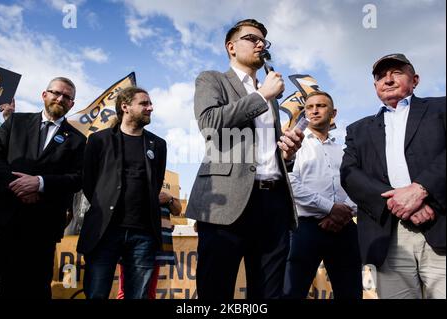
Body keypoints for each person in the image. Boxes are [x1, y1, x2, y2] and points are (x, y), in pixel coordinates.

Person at [186, 18, 304, 299]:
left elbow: (265, 151)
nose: (260, 43)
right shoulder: (212, 79)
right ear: (231, 47)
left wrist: (286, 155)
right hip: (226, 203)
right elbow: (211, 124)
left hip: (274, 203)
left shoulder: (272, 98)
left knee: (268, 294)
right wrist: (262, 95)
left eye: (264, 40)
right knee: (216, 292)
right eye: (252, 38)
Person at [340, 53, 446, 299]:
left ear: (415, 79)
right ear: (375, 85)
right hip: (387, 236)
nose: (387, 80)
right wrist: (396, 202)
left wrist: (421, 190)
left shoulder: (441, 108)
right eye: (380, 76)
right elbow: (349, 174)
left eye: (396, 72)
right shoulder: (358, 129)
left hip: (440, 224)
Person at [0, 77, 86, 298]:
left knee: (34, 288)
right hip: (3, 221)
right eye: (56, 93)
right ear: (44, 95)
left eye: (67, 97)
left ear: (72, 104)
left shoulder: (77, 140)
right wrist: (17, 186)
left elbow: (78, 178)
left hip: (42, 228)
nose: (60, 98)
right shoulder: (16, 122)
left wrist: (40, 184)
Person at [77, 86, 167, 299]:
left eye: (150, 103)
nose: (150, 108)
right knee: (96, 293)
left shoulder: (159, 144)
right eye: (144, 103)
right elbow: (89, 183)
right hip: (104, 232)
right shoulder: (99, 140)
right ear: (125, 107)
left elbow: (156, 183)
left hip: (143, 234)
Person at [283, 91, 362, 299]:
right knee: (292, 292)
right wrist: (330, 208)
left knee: (350, 292)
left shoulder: (344, 150)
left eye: (321, 106)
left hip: (344, 229)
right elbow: (290, 184)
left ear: (333, 112)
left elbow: (356, 184)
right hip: (304, 230)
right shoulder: (294, 146)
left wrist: (344, 212)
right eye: (309, 107)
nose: (314, 110)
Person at [116, 191, 182, 299]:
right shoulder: (133, 180)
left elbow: (178, 210)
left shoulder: (166, 187)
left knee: (149, 291)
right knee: (125, 290)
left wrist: (169, 199)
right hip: (132, 238)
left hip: (156, 242)